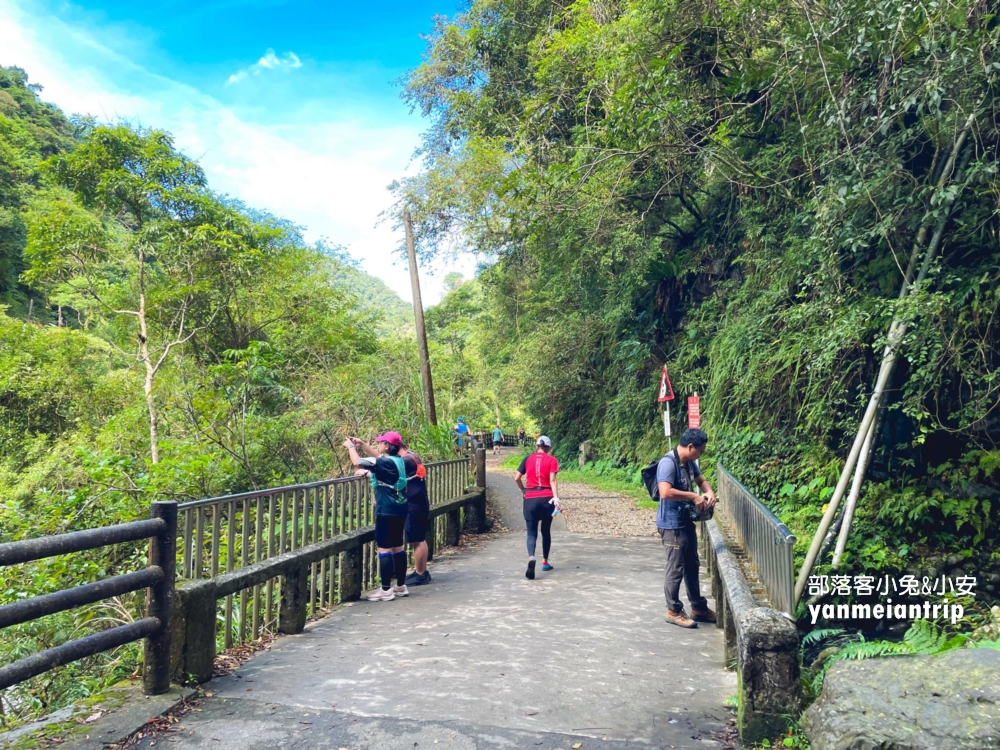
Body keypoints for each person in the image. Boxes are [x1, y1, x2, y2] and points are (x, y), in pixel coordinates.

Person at [656, 428, 717, 628]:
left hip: (685, 521)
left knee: (692, 564)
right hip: (671, 524)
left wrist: (708, 492)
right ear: (690, 447)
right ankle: (673, 610)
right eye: (700, 451)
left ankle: (698, 607)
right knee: (676, 568)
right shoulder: (668, 463)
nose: (701, 454)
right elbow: (665, 492)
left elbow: (701, 480)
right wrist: (693, 496)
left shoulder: (689, 463)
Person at [343, 431, 410, 602]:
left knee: (384, 548)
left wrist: (351, 447)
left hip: (386, 509)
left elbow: (357, 462)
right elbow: (379, 462)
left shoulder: (385, 462)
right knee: (397, 546)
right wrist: (362, 444)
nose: (379, 445)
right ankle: (401, 585)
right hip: (400, 507)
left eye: (381, 442)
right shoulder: (397, 460)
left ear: (387, 445)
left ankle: (386, 589)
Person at [514, 435, 561, 579]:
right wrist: (556, 498)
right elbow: (552, 480)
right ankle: (545, 562)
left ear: (536, 446)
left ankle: (531, 557)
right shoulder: (552, 460)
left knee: (531, 532)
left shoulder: (528, 459)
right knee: (545, 531)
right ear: (548, 447)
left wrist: (524, 490)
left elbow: (517, 477)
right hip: (547, 499)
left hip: (530, 499)